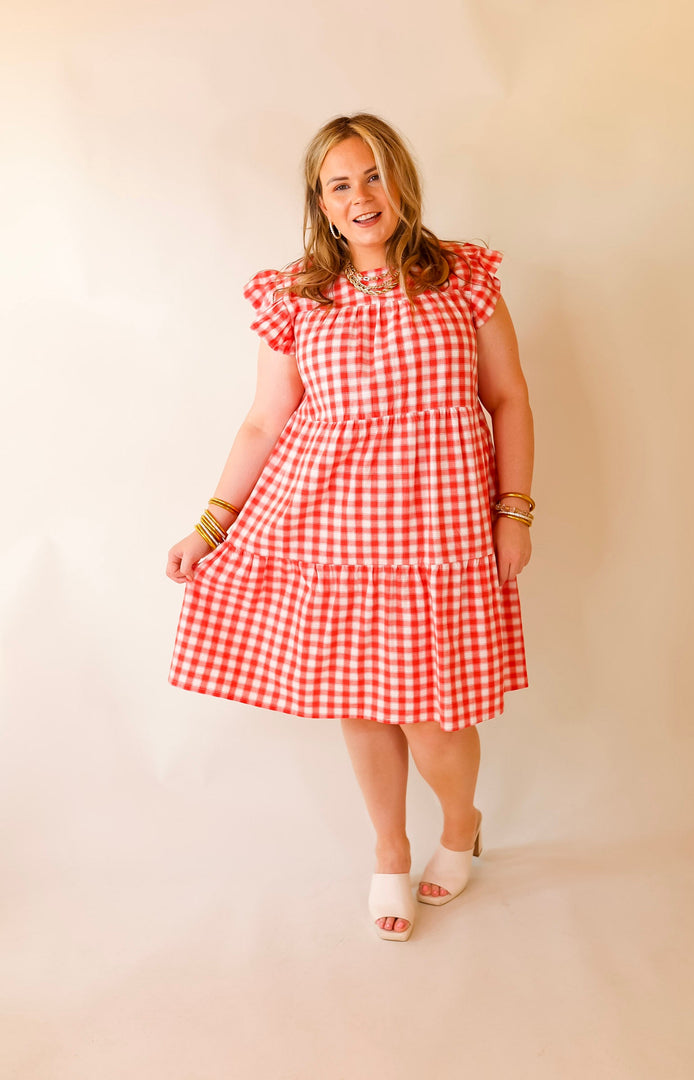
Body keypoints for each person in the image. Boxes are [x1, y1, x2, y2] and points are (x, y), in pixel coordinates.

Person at [166, 113, 534, 942]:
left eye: (374, 175)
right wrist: (210, 526)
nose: (361, 195)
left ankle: (460, 826)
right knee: (363, 705)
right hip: (330, 529)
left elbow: (507, 398)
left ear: (401, 180)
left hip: (439, 532)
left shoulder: (463, 278)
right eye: (341, 183)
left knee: (438, 717)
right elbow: (266, 422)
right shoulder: (297, 295)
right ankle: (389, 854)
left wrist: (515, 509)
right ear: (321, 203)